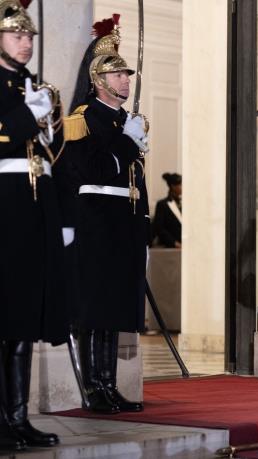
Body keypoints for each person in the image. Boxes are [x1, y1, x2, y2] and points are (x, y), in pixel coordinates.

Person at [63, 14, 149, 413]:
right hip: (96, 220)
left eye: (127, 75)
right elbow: (94, 170)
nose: (125, 81)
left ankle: (110, 384)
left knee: (115, 306)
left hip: (124, 221)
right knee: (95, 307)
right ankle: (94, 387)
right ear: (99, 80)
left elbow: (137, 180)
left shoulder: (125, 120)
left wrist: (144, 223)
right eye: (117, 75)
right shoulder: (83, 119)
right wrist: (129, 143)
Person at [0, 0, 67, 449]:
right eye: (16, 35)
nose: (25, 43)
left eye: (29, 37)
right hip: (4, 204)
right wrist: (29, 115)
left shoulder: (34, 86)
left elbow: (52, 154)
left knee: (23, 317)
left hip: (34, 205)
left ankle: (18, 418)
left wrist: (48, 121)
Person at [153, 172, 182, 248]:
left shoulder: (184, 203)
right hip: (170, 248)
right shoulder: (162, 204)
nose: (182, 187)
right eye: (180, 184)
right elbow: (159, 228)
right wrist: (174, 243)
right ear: (173, 186)